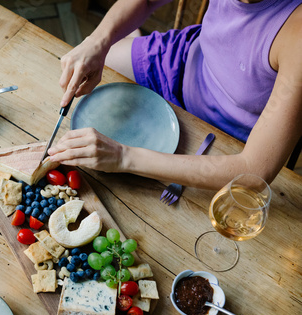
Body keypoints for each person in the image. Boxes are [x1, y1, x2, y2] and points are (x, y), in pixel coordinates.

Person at [47, 0, 302, 190]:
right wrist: (99, 41)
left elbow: (253, 171)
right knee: (101, 61)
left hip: (226, 137)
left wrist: (123, 156)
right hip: (180, 59)